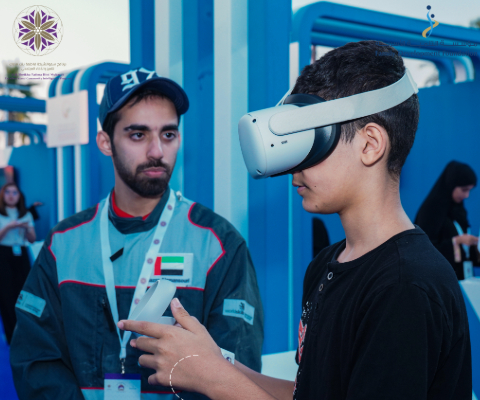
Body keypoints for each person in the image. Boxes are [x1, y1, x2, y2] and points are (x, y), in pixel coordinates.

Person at [119, 41, 472, 400]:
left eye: (311, 141)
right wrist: (213, 361)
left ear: (369, 145)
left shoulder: (405, 287)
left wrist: (216, 380)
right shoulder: (326, 266)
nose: (293, 168)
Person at [10, 68, 264, 400]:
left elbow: (236, 369)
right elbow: (35, 360)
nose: (157, 151)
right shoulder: (64, 243)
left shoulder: (218, 243)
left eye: (168, 134)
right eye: (138, 135)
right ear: (105, 142)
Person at [415, 161, 479, 280]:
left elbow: (464, 252)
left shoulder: (459, 210)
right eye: (464, 190)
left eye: (470, 190)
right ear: (451, 185)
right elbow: (423, 250)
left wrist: (475, 245)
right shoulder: (431, 210)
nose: (467, 195)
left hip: (463, 278)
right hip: (440, 280)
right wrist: (457, 241)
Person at [0, 183, 36, 344]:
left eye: (14, 192)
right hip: (4, 254)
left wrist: (27, 229)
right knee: (6, 295)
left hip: (21, 254)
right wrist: (9, 226)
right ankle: (11, 336)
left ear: (19, 195)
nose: (11, 195)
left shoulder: (26, 214)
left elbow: (32, 239)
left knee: (25, 293)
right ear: (3, 195)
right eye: (7, 192)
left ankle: (27, 333)